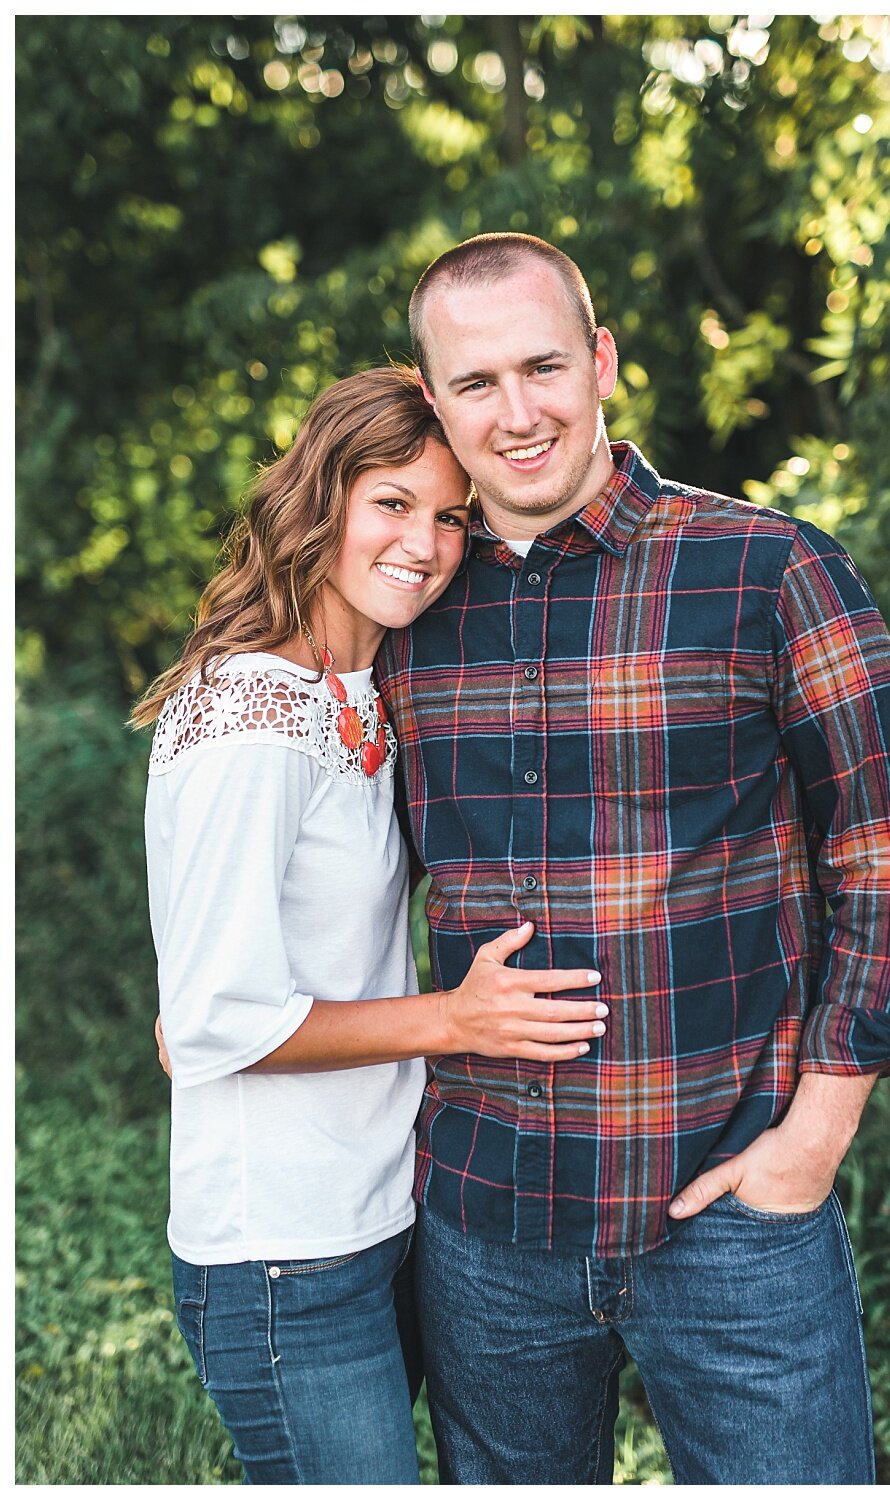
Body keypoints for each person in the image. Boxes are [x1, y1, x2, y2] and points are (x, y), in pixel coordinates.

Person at [375, 234, 890, 1485]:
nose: (516, 413)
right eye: (475, 383)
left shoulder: (766, 568)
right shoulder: (405, 609)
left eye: (542, 367)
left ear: (602, 361)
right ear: (433, 401)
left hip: (731, 1209)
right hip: (487, 1221)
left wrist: (811, 1142)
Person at [132, 365, 609, 1486]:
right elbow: (207, 1023)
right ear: (320, 502)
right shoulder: (246, 717)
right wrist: (455, 1017)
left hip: (384, 1214)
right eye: (391, 503)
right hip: (283, 1256)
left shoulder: (362, 685)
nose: (425, 542)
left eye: (450, 515)